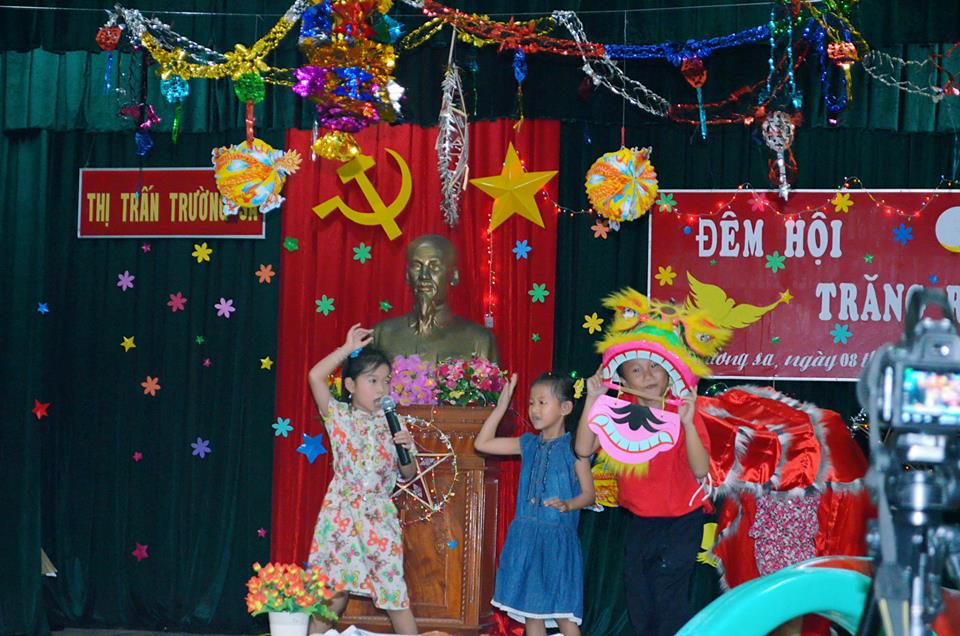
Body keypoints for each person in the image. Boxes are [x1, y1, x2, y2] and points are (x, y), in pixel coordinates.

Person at [576, 358, 708, 636]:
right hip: (641, 521)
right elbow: (584, 449)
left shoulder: (682, 409)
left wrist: (688, 424)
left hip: (682, 521)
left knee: (669, 599)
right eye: (636, 370)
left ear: (668, 372)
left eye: (654, 366)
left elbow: (700, 470)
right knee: (640, 601)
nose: (648, 375)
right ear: (623, 381)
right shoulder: (620, 408)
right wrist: (593, 399)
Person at [306, 323, 418, 635]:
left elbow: (408, 474)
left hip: (379, 518)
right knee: (333, 594)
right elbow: (315, 376)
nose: (382, 389)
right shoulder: (339, 416)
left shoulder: (395, 423)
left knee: (395, 595)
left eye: (386, 381)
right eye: (373, 380)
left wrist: (406, 449)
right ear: (351, 385)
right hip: (340, 516)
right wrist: (346, 349)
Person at [474, 372, 595, 636]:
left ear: (565, 408)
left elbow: (589, 495)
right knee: (532, 614)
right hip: (525, 538)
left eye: (542, 402)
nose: (534, 409)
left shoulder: (576, 448)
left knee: (564, 616)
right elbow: (482, 443)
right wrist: (501, 406)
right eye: (531, 403)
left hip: (557, 542)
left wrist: (568, 504)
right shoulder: (527, 444)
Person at [373, 234, 498, 362]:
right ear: (407, 275)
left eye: (434, 267)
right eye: (417, 266)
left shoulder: (479, 339)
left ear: (453, 276)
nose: (424, 275)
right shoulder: (382, 334)